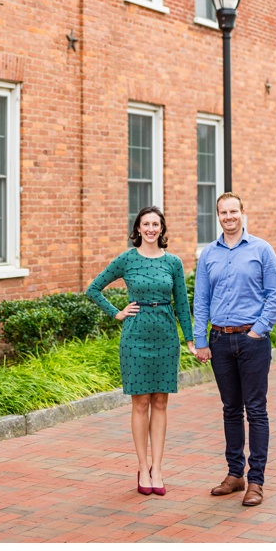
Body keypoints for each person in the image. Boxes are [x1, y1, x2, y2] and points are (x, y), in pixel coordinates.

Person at [86, 205, 195, 496]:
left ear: (162, 229)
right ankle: (143, 466)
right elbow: (93, 289)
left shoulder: (173, 262)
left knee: (160, 401)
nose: (150, 229)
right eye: (145, 224)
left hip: (165, 334)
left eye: (155, 224)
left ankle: (158, 468)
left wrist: (190, 339)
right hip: (135, 337)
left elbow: (182, 303)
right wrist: (116, 313)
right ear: (137, 229)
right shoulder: (127, 259)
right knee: (140, 403)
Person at [192, 191, 276, 507]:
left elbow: (275, 297)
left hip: (251, 341)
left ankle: (255, 480)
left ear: (243, 212)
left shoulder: (262, 250)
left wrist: (257, 332)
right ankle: (235, 474)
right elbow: (201, 299)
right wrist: (200, 339)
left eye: (233, 211)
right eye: (222, 212)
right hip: (219, 340)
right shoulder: (208, 254)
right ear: (217, 216)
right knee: (230, 408)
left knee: (256, 409)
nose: (228, 217)